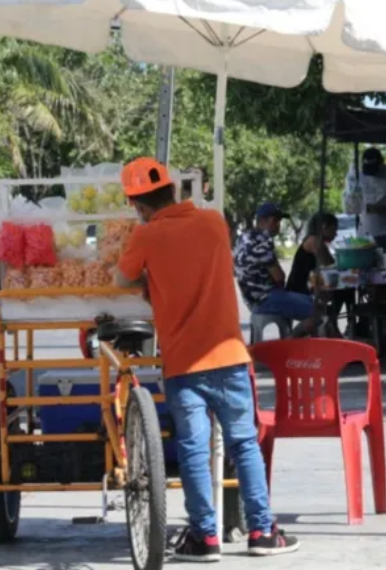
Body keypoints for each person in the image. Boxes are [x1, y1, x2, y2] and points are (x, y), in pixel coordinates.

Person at [113, 158, 299, 561]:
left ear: (139, 206)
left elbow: (120, 279)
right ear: (173, 191)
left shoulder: (146, 236)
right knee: (244, 445)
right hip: (229, 356)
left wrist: (150, 278)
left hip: (183, 364)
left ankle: (205, 538)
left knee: (195, 450)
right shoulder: (215, 222)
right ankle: (263, 532)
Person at [234, 202, 316, 337]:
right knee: (317, 311)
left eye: (279, 221)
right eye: (274, 221)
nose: (278, 225)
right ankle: (291, 342)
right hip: (266, 299)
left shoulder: (243, 237)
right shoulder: (262, 241)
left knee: (303, 300)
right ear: (261, 221)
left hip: (251, 300)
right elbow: (279, 277)